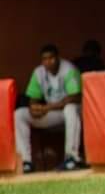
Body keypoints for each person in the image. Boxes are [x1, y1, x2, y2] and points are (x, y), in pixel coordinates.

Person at [14, 44, 85, 173]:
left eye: (51, 58)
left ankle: (72, 158)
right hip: (53, 115)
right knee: (19, 114)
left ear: (58, 58)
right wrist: (34, 109)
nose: (48, 62)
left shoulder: (68, 69)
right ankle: (26, 162)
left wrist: (48, 107)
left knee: (70, 108)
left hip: (74, 114)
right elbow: (33, 99)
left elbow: (75, 97)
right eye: (45, 59)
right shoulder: (39, 72)